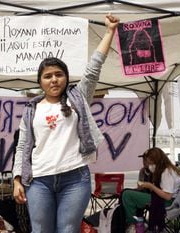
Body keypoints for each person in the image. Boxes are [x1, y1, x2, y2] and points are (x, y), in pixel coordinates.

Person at [12, 14, 120, 233]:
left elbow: (93, 68)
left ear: (66, 78)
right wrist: (16, 179)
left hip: (75, 178)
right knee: (41, 230)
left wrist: (110, 32)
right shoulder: (31, 110)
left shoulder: (77, 97)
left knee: (68, 230)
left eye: (59, 74)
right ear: (40, 82)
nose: (54, 79)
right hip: (39, 180)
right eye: (48, 76)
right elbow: (22, 146)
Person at [122, 147, 180, 233]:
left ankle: (134, 225)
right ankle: (138, 222)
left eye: (151, 163)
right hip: (163, 199)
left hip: (166, 202)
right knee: (128, 193)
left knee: (127, 195)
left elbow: (168, 196)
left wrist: (151, 186)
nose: (150, 166)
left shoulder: (166, 172)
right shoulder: (165, 169)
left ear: (157, 161)